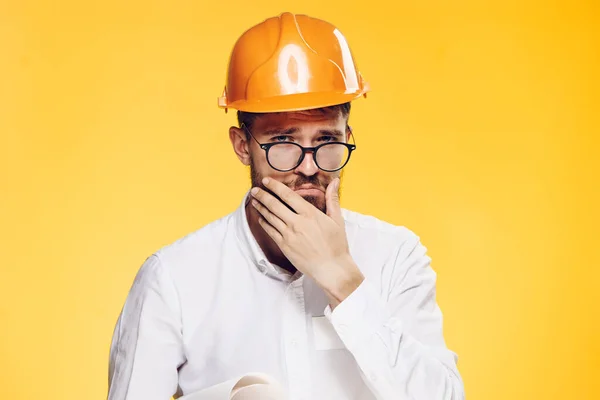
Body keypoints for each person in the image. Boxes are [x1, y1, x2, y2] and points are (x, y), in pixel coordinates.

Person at [107, 12, 465, 400]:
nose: (309, 167)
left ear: (347, 136)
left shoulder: (396, 256)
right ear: (243, 146)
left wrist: (343, 281)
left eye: (327, 140)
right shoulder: (173, 279)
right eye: (282, 142)